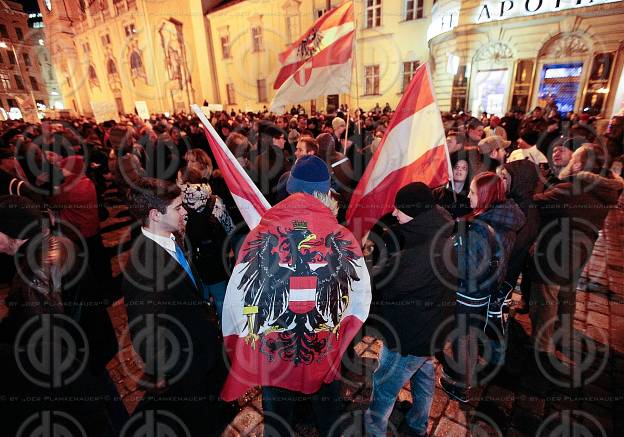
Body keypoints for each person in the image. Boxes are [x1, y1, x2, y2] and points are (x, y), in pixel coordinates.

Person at [220, 155, 372, 437]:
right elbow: (359, 298)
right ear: (326, 192)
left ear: (290, 189)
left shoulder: (259, 236)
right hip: (322, 344)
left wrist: (245, 337)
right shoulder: (343, 238)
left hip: (276, 350)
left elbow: (238, 298)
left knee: (277, 416)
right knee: (328, 412)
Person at [122, 177, 223, 436]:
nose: (184, 212)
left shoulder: (169, 237)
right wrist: (184, 375)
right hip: (190, 373)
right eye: (178, 208)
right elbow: (146, 338)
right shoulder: (145, 271)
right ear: (155, 215)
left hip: (203, 350)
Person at [365, 182, 454, 437]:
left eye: (399, 209)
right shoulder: (440, 230)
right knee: (424, 374)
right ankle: (417, 424)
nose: (394, 213)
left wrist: (369, 262)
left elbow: (384, 283)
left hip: (408, 335)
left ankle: (374, 431)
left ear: (414, 213)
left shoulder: (421, 255)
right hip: (432, 329)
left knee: (384, 385)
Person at [529, 144, 623, 365]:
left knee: (546, 299)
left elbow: (537, 202)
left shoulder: (571, 190)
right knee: (567, 293)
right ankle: (563, 333)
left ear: (579, 164)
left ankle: (542, 348)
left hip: (554, 253)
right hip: (579, 252)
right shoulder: (606, 189)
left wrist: (538, 181)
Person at [440, 172, 525, 402]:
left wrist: (454, 246)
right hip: (487, 288)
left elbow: (465, 267)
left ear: (486, 196)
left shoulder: (481, 227)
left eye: (474, 192)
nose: (468, 195)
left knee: (462, 337)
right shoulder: (506, 217)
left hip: (469, 292)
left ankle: (460, 385)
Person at [432, 152, 472, 218]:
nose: (459, 170)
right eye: (456, 167)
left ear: (468, 173)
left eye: (464, 168)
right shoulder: (437, 193)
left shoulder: (470, 195)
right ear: (451, 169)